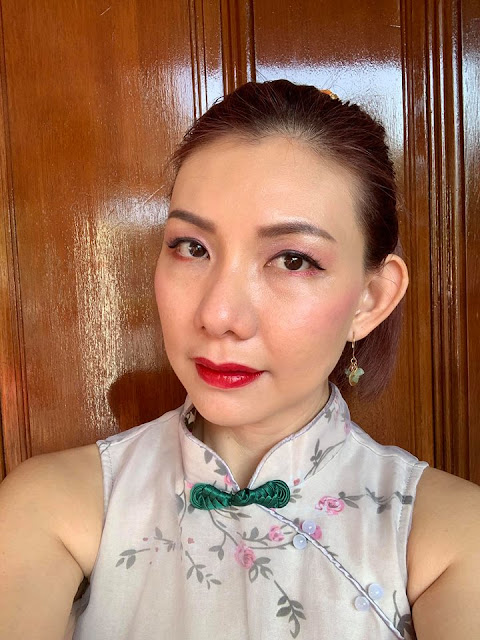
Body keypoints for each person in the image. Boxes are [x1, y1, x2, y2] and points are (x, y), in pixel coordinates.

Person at [0, 80, 479, 640]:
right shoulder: (53, 507)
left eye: (293, 260)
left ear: (370, 299)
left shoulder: (448, 536)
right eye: (192, 247)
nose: (218, 315)